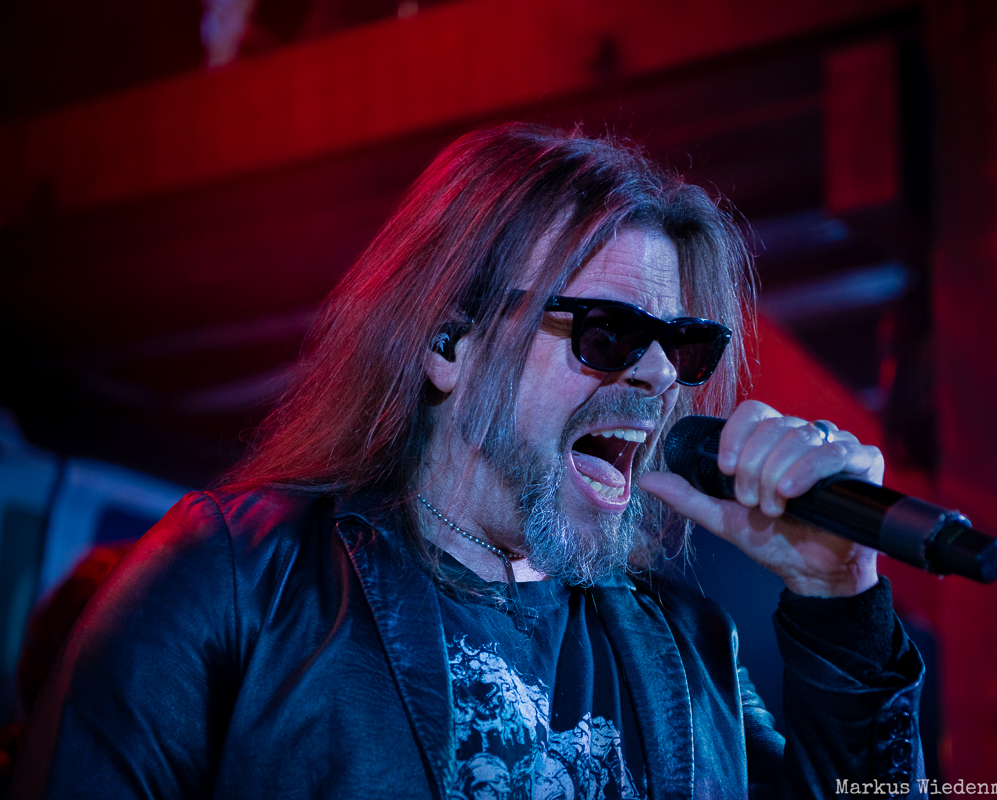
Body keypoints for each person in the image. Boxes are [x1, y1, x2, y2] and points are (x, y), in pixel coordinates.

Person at [11, 123, 924, 799]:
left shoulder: (688, 651)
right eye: (608, 334)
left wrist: (840, 598)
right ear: (450, 342)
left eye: (682, 347)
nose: (656, 376)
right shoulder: (236, 580)